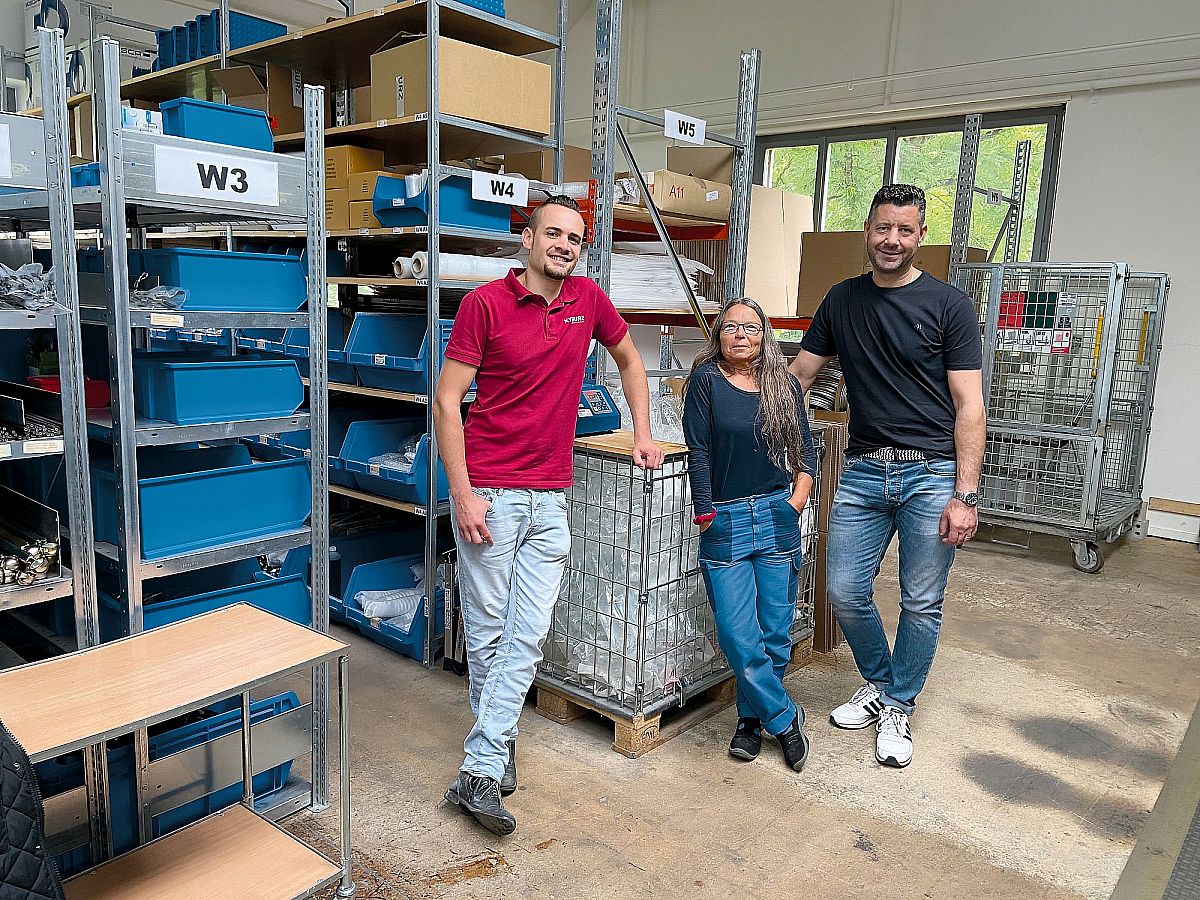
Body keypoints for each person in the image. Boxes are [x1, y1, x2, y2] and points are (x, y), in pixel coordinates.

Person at [433, 195, 664, 835]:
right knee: (487, 631)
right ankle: (494, 755)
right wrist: (462, 493)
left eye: (575, 238)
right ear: (528, 240)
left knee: (527, 635)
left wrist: (643, 432)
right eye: (554, 234)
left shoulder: (588, 300)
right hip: (490, 493)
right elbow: (447, 403)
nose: (565, 245)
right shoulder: (484, 306)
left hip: (551, 496)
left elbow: (630, 360)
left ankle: (480, 765)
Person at [789, 184, 985, 769]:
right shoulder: (842, 300)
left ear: (920, 235)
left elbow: (969, 405)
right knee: (844, 591)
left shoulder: (949, 306)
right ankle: (879, 682)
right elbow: (800, 376)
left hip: (932, 473)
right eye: (882, 228)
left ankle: (899, 703)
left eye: (904, 230)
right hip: (863, 470)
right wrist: (737, 401)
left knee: (921, 601)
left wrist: (965, 495)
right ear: (867, 232)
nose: (891, 240)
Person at [683, 298, 817, 772]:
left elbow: (806, 450)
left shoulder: (784, 385)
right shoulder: (706, 381)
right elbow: (698, 451)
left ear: (764, 336)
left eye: (751, 327)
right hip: (726, 517)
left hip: (777, 512)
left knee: (775, 632)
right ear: (718, 335)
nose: (741, 334)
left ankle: (749, 720)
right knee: (738, 635)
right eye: (731, 327)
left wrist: (797, 499)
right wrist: (706, 513)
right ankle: (785, 718)